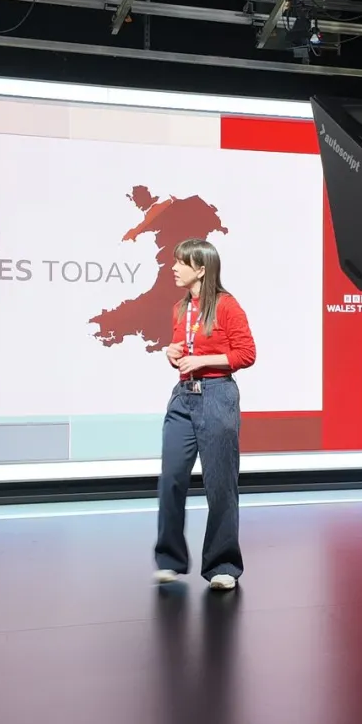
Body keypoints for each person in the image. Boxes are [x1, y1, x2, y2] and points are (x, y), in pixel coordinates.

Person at [153, 238, 256, 591]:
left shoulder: (227, 306)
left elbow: (246, 354)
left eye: (181, 262)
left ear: (201, 268)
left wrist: (203, 360)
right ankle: (169, 560)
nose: (174, 268)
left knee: (220, 485)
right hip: (183, 398)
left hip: (217, 396)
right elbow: (184, 350)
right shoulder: (180, 309)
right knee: (171, 479)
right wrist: (174, 352)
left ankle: (223, 565)